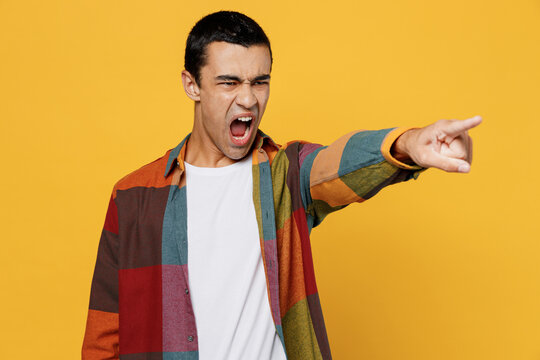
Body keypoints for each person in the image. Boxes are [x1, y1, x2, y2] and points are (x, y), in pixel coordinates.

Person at [82, 10, 482, 360]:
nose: (248, 100)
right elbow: (105, 336)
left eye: (260, 82)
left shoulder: (285, 175)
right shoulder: (134, 197)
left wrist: (407, 144)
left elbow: (336, 163)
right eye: (228, 82)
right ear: (192, 86)